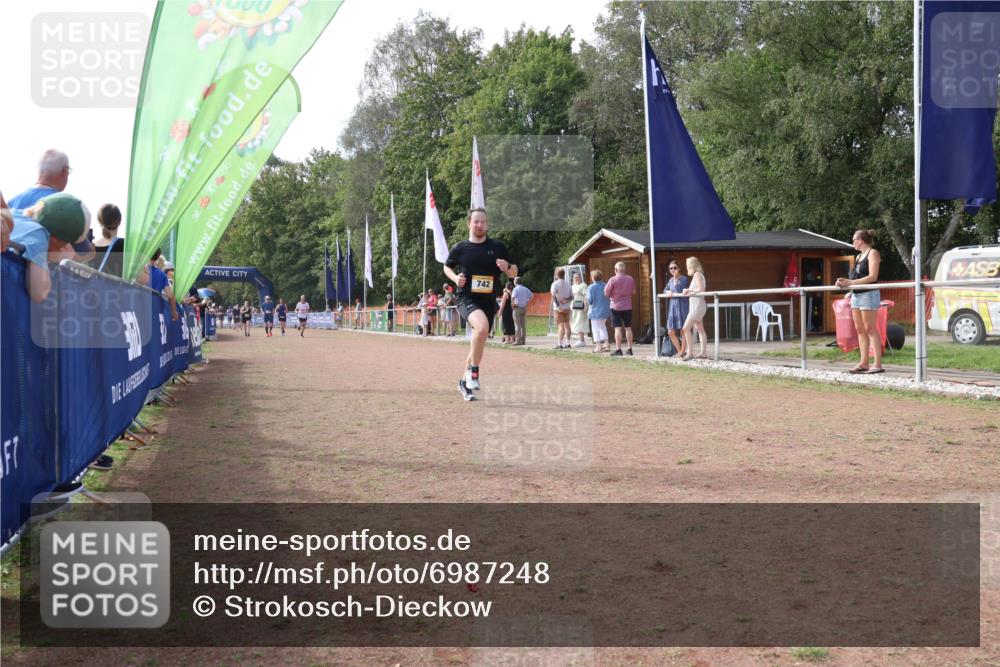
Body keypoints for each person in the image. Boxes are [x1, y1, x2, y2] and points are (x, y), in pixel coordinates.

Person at [444, 207, 517, 401]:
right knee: (482, 327)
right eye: (476, 222)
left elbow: (514, 272)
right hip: (466, 298)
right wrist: (455, 278)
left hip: (488, 300)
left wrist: (507, 267)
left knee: (479, 337)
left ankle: (463, 381)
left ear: (487, 224)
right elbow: (446, 266)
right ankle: (474, 372)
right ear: (469, 223)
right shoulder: (461, 248)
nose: (479, 225)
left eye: (483, 222)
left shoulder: (498, 247)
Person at [9, 149, 94, 264]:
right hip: (44, 276)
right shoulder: (66, 207)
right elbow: (82, 252)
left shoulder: (11, 203)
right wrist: (89, 254)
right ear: (64, 171)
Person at [8, 192, 89, 303]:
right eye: (65, 243)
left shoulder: (12, 214)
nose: (63, 248)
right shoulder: (38, 234)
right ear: (54, 237)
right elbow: (40, 293)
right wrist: (56, 260)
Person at [835, 229, 883, 374]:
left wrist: (851, 282)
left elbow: (872, 277)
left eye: (854, 240)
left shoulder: (873, 253)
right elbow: (855, 278)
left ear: (860, 240)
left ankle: (877, 364)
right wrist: (845, 283)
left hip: (869, 294)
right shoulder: (858, 257)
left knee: (870, 329)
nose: (852, 243)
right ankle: (864, 363)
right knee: (860, 330)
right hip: (856, 295)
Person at [604, 261, 636, 356]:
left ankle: (619, 350)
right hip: (627, 306)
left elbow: (606, 293)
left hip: (615, 306)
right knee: (628, 328)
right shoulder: (630, 279)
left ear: (616, 270)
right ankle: (630, 349)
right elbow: (633, 292)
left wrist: (614, 295)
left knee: (617, 328)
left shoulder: (612, 279)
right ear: (624, 269)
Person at [138, 249, 179, 320]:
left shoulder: (139, 270)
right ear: (157, 257)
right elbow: (170, 296)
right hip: (155, 311)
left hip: (139, 309)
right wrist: (174, 312)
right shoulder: (162, 275)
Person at [681, 257, 708, 360]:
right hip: (697, 305)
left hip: (697, 305)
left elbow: (701, 289)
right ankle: (703, 353)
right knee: (700, 328)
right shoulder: (699, 275)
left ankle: (690, 353)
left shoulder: (697, 274)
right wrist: (690, 290)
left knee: (685, 328)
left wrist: (688, 290)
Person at [87, 203, 125, 276]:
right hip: (117, 287)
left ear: (99, 221)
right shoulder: (125, 245)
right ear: (120, 221)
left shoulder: (90, 247)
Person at [663, 259, 690, 358]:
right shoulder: (670, 280)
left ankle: (682, 352)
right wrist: (668, 292)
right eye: (671, 268)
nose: (673, 270)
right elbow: (665, 289)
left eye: (675, 268)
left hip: (682, 305)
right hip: (673, 306)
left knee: (683, 330)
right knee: (671, 331)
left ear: (679, 268)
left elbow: (679, 289)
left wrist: (675, 280)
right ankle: (679, 351)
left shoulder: (683, 279)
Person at [587, 269, 611, 353]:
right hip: (605, 310)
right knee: (602, 327)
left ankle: (598, 346)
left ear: (593, 277)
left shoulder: (591, 287)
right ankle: (606, 344)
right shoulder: (606, 285)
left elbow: (590, 300)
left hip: (595, 311)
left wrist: (586, 300)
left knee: (595, 328)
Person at [550, 268, 572, 349]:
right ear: (564, 274)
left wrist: (558, 305)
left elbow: (553, 295)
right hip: (567, 307)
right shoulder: (568, 284)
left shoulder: (555, 284)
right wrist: (566, 300)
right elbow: (572, 297)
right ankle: (568, 343)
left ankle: (559, 344)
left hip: (558, 308)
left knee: (560, 326)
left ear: (556, 275)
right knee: (567, 324)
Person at [510, 277, 532, 345]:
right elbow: (531, 296)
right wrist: (527, 301)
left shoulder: (516, 289)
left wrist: (512, 305)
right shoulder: (526, 289)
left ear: (515, 282)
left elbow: (513, 297)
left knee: (517, 325)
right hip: (524, 307)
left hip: (517, 307)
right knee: (523, 325)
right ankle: (523, 340)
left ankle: (517, 341)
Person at [570, 271, 589, 347]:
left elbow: (585, 296)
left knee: (580, 322)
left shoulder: (583, 285)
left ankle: (582, 340)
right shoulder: (572, 286)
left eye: (577, 277)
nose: (576, 278)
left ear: (580, 278)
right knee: (575, 321)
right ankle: (580, 339)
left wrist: (585, 305)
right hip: (574, 306)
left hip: (581, 306)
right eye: (575, 277)